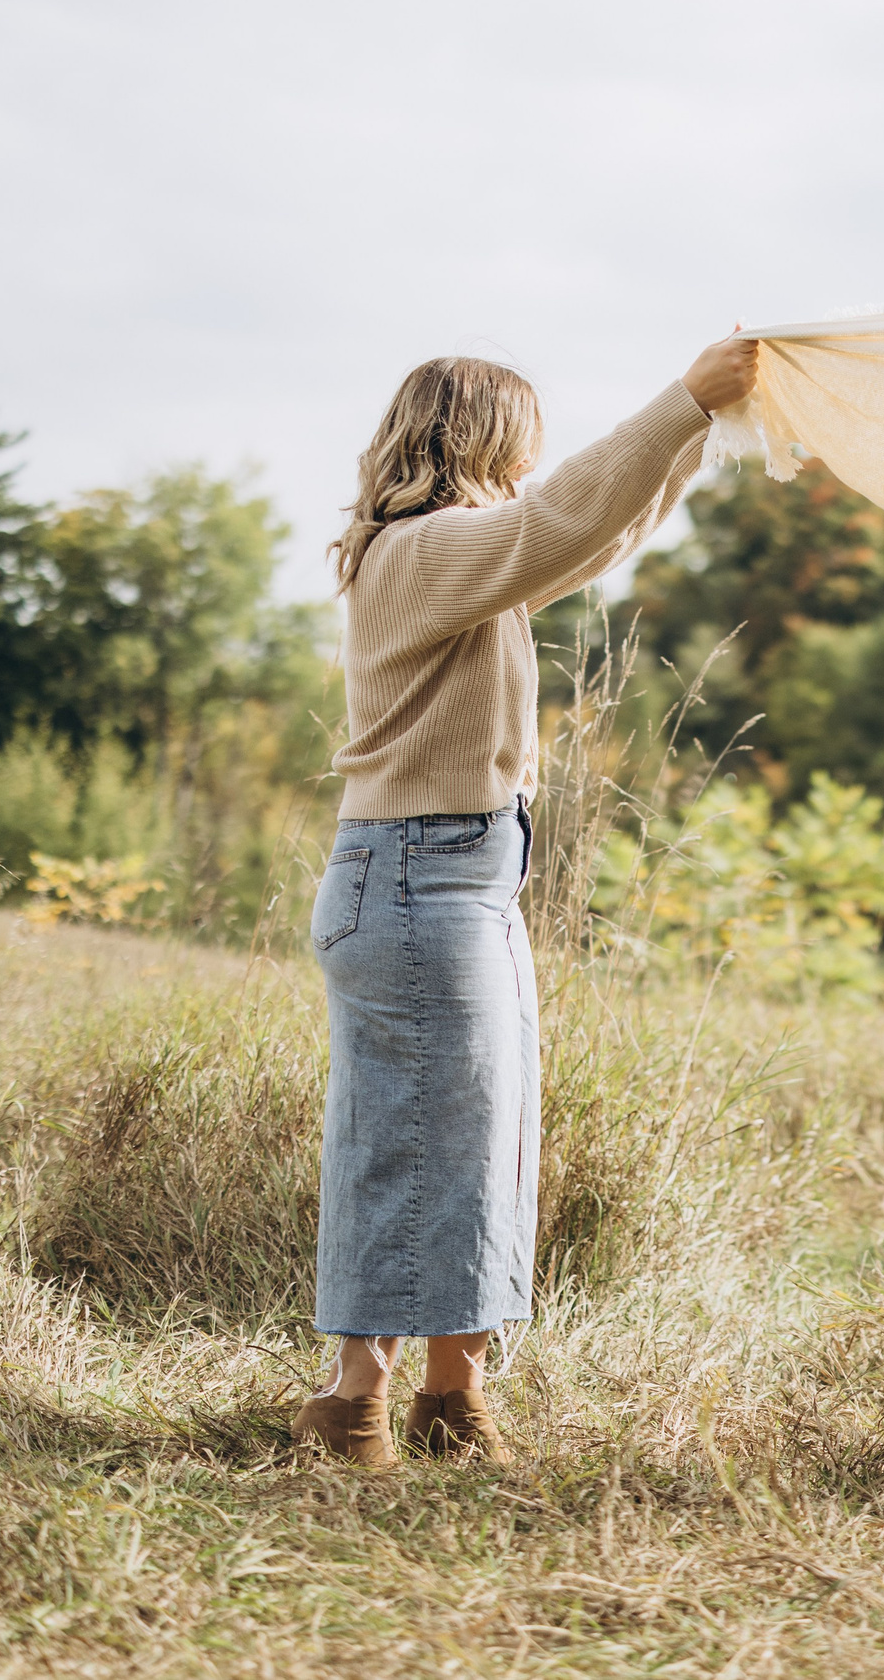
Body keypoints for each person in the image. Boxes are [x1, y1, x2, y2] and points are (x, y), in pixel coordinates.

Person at [291, 334, 761, 1467]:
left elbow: (597, 535)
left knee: (478, 1138)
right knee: (415, 1142)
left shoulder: (457, 562)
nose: (532, 468)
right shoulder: (422, 551)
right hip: (419, 876)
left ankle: (448, 1397)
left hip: (454, 878)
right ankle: (357, 1401)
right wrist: (681, 400)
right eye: (522, 447)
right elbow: (558, 520)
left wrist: (694, 436)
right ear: (481, 441)